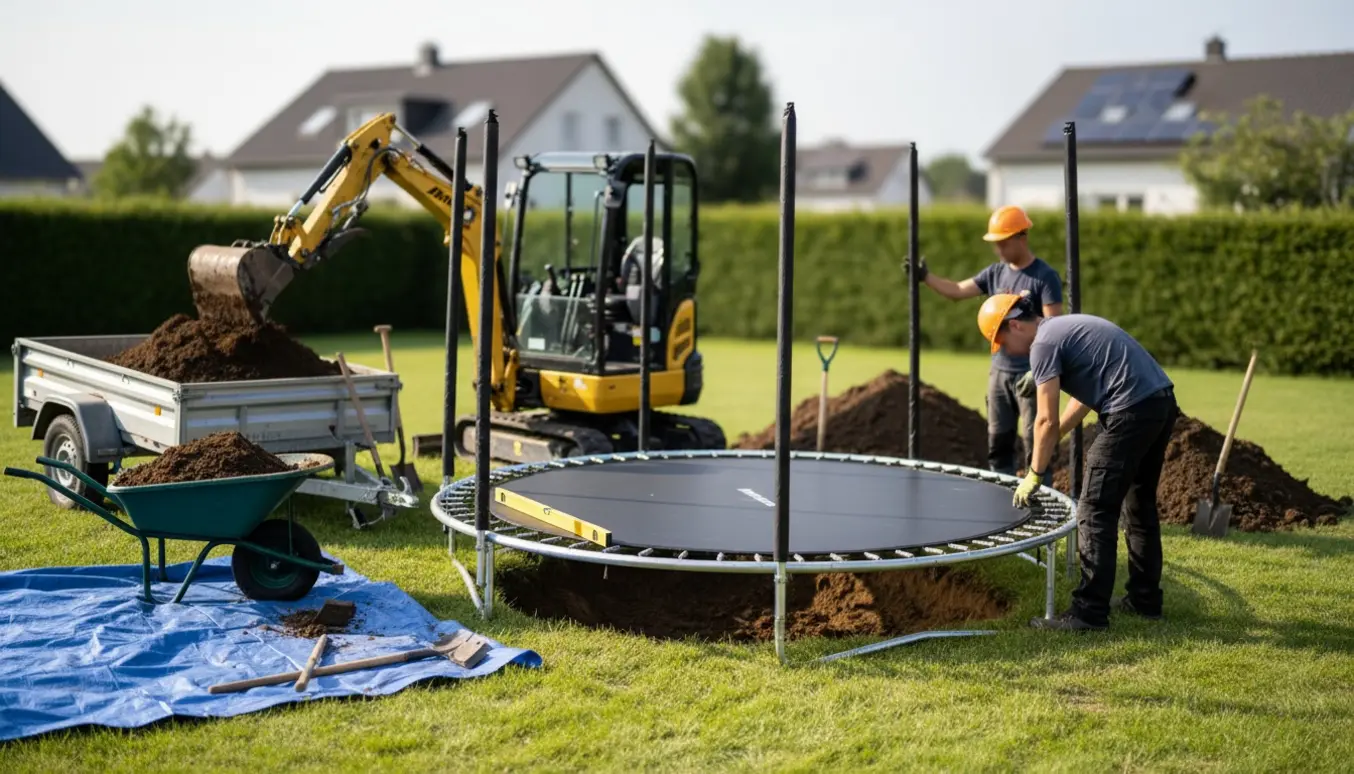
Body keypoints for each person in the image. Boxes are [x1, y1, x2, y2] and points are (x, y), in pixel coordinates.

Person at [976, 293, 1178, 631]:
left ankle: (1088, 613)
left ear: (1014, 325)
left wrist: (1035, 473)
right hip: (1159, 404)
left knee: (1094, 510)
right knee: (1139, 505)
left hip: (1129, 412)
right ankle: (1145, 601)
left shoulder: (1042, 344)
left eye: (1002, 341)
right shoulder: (1061, 329)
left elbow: (1045, 420)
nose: (1007, 351)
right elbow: (1084, 399)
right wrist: (1056, 437)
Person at [904, 205, 1063, 481]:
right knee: (998, 444)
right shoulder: (995, 274)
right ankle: (1000, 495)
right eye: (995, 244)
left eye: (1003, 243)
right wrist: (925, 277)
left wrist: (1036, 371)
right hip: (999, 372)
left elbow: (1054, 329)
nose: (998, 250)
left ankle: (1039, 496)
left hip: (1032, 374)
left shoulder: (1044, 277)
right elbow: (957, 291)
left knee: (1034, 442)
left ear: (1021, 237)